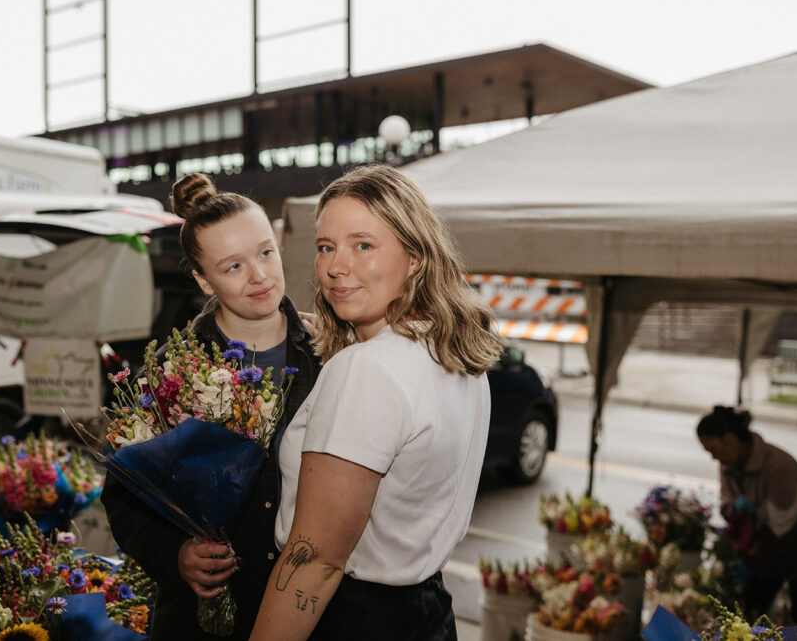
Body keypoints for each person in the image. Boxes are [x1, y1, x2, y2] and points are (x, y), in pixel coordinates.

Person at [250, 164, 501, 641]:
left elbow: (317, 560)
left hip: (349, 617)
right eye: (326, 247)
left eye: (362, 245)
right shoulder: (456, 354)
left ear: (415, 257)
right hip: (426, 613)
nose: (336, 266)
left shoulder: (369, 369)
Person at [101, 173, 321, 640]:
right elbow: (122, 499)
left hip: (310, 613)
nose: (261, 276)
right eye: (233, 266)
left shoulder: (328, 352)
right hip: (199, 623)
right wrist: (176, 554)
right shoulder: (170, 373)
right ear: (202, 278)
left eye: (265, 252)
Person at [697, 405, 797, 624]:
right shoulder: (728, 465)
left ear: (730, 439)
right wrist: (736, 512)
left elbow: (780, 528)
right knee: (750, 611)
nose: (713, 458)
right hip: (768, 547)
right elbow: (727, 506)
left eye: (713, 449)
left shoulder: (779, 466)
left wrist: (751, 559)